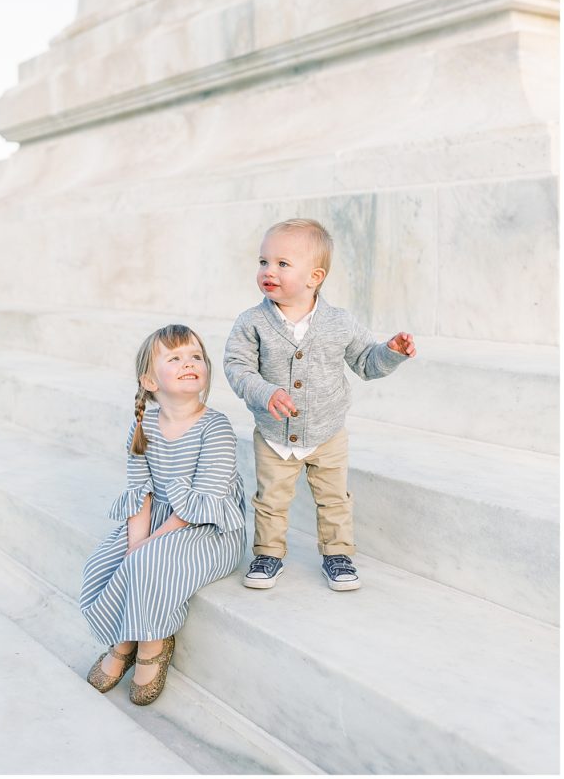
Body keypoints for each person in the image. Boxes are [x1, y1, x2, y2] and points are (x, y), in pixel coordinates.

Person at [223, 218, 416, 592]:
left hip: (327, 433)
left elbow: (366, 363)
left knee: (334, 499)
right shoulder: (252, 323)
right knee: (271, 500)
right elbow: (237, 367)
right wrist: (265, 392)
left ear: (314, 276)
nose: (268, 271)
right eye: (263, 261)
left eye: (282, 264)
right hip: (274, 433)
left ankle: (338, 554)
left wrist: (390, 353)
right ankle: (268, 553)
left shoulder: (339, 322)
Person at [80, 324, 245, 705]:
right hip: (158, 518)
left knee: (150, 562)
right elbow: (141, 494)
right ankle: (123, 636)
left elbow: (203, 502)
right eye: (174, 358)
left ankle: (149, 643)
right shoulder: (145, 425)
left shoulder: (215, 427)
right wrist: (135, 543)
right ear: (150, 380)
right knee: (105, 561)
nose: (189, 363)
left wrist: (147, 548)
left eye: (196, 357)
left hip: (208, 528)